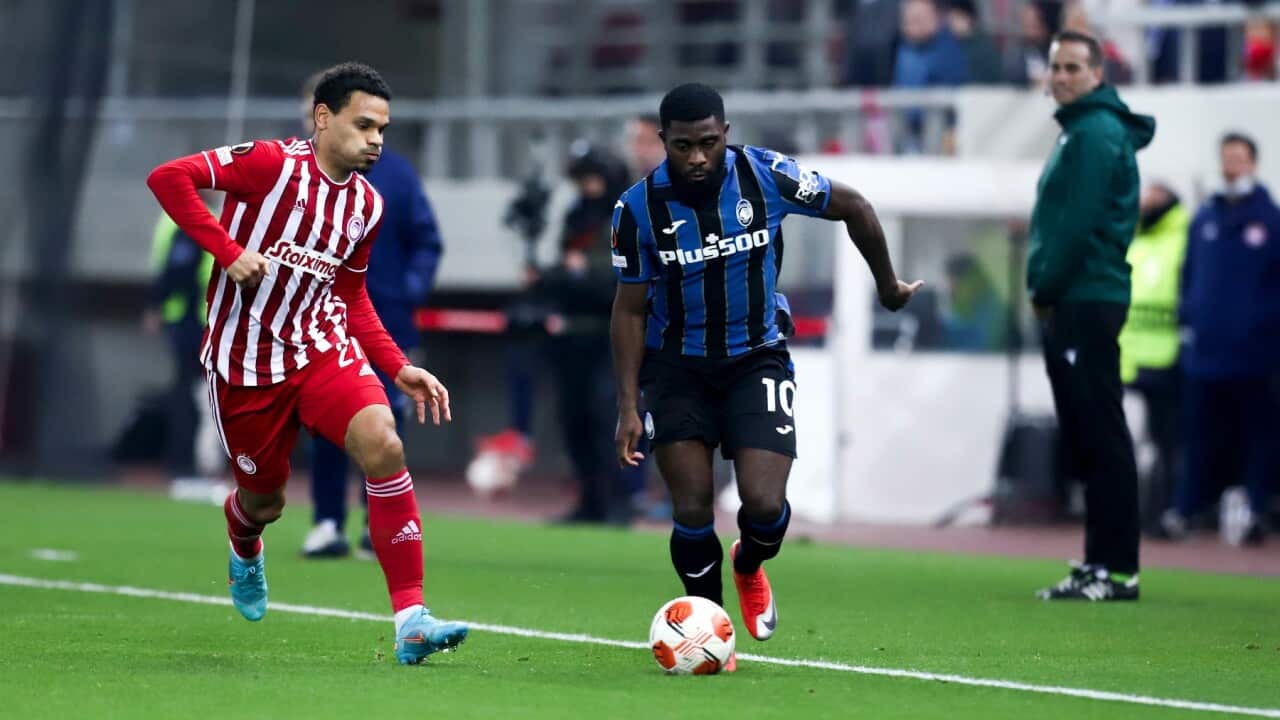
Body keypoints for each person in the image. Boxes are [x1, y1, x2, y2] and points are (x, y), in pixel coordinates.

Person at [145, 62, 467, 664]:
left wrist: (396, 367)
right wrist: (229, 250)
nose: (375, 140)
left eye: (383, 129)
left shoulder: (368, 205)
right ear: (323, 118)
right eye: (363, 125)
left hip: (320, 350)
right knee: (264, 500)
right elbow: (168, 177)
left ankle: (411, 618)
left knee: (384, 443)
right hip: (244, 365)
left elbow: (349, 297)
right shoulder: (269, 163)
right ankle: (244, 540)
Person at [610, 83, 921, 671]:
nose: (697, 157)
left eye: (707, 143)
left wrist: (887, 286)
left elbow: (855, 206)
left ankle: (749, 564)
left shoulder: (766, 176)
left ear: (726, 134)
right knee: (694, 504)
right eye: (682, 146)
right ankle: (711, 635)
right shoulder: (635, 210)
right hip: (676, 367)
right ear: (663, 143)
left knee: (762, 501)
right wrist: (628, 404)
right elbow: (627, 309)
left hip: (757, 356)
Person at [1026, 32, 1154, 601]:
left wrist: (1045, 284)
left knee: (1100, 430)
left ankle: (1118, 567)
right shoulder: (1080, 130)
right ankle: (1100, 560)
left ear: (1098, 74)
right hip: (1078, 295)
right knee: (1087, 432)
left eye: (1073, 67)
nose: (1061, 77)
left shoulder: (1096, 132)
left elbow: (1076, 225)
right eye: (1056, 67)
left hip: (1084, 296)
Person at [296, 75, 444, 560]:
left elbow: (427, 239)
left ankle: (374, 529)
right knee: (326, 427)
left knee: (384, 426)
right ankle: (326, 522)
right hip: (315, 324)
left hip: (387, 322)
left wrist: (409, 289)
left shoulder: (397, 176)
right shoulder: (291, 174)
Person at [1164, 133, 1280, 545]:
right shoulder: (1205, 218)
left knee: (1258, 437)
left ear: (1254, 163)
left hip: (1255, 355)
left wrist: (1263, 328)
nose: (1232, 165)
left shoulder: (1270, 220)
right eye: (1227, 157)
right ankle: (1188, 509)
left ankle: (1256, 509)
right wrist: (1189, 317)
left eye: (1239, 158)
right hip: (1205, 353)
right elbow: (1188, 275)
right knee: (1197, 437)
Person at [1117, 182, 1189, 534]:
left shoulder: (1186, 236)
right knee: (1125, 440)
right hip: (1128, 356)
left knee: (1167, 442)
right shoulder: (1134, 235)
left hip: (1167, 357)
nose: (1147, 202)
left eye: (1155, 197)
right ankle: (1130, 511)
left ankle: (1167, 512)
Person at [143, 200, 217, 481]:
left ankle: (196, 461)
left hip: (198, 318)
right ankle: (186, 462)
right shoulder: (188, 217)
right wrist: (157, 305)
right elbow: (179, 270)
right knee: (195, 392)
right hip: (192, 320)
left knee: (199, 392)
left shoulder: (182, 217)